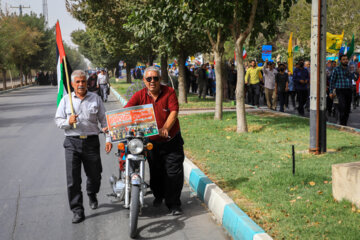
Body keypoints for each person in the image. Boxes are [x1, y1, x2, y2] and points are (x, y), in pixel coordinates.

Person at [124, 66, 185, 216]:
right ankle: (158, 196)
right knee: (156, 173)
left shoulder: (169, 92)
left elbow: (174, 112)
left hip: (171, 141)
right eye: (149, 79)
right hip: (152, 143)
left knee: (173, 173)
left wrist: (165, 128)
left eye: (155, 78)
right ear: (144, 81)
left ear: (160, 80)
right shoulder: (139, 95)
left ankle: (174, 204)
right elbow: (126, 111)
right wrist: (112, 126)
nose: (152, 81)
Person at [55, 70, 112, 223]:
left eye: (83, 81)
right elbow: (58, 121)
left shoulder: (96, 98)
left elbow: (105, 122)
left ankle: (91, 193)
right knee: (73, 179)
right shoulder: (66, 100)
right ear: (72, 84)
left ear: (87, 83)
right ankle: (77, 210)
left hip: (91, 142)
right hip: (71, 143)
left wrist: (108, 139)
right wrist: (69, 121)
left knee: (95, 176)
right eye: (77, 82)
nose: (81, 85)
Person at [329, 54, 353, 126]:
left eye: (346, 59)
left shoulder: (349, 69)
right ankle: (341, 124)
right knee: (341, 108)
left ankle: (344, 124)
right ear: (340, 61)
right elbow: (332, 81)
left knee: (347, 109)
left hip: (348, 90)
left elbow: (353, 78)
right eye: (344, 59)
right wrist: (330, 92)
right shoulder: (336, 69)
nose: (346, 61)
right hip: (340, 90)